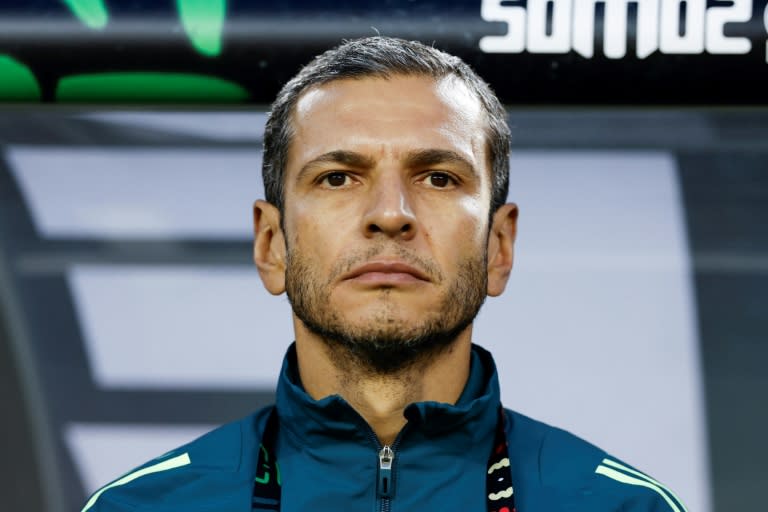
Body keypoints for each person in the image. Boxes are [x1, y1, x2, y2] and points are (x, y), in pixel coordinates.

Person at [81, 37, 687, 512]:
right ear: (272, 245)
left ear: (499, 246)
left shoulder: (624, 507)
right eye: (338, 177)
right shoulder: (139, 506)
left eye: (439, 177)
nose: (391, 215)